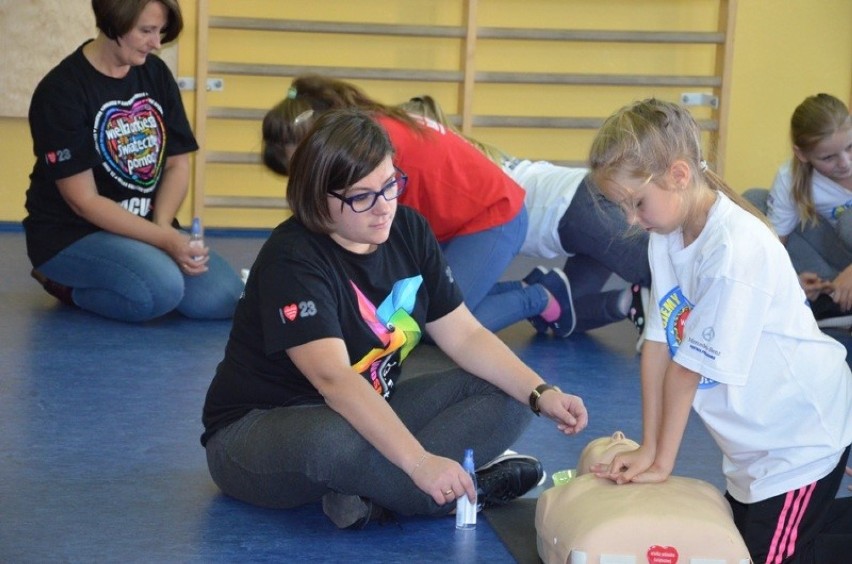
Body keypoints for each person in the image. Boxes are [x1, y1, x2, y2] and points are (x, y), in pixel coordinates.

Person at [201, 109, 589, 530]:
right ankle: (434, 488)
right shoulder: (293, 258)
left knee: (510, 394)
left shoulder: (408, 229)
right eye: (362, 197)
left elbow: (465, 334)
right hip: (258, 428)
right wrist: (420, 461)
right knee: (340, 442)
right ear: (319, 198)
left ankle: (376, 493)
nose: (383, 207)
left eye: (390, 186)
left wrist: (540, 391)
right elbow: (334, 381)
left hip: (367, 406)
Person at [587, 98, 852, 562]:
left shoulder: (733, 250)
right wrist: (648, 448)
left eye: (637, 203)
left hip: (800, 439)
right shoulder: (665, 236)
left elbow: (685, 370)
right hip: (755, 446)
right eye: (622, 206)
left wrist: (662, 462)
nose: (631, 219)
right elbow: (657, 344)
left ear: (679, 175)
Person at [260, 74, 576, 336]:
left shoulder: (367, 149)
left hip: (493, 216)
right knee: (411, 310)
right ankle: (523, 286)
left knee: (433, 330)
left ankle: (537, 296)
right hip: (459, 217)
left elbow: (377, 246)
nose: (310, 178)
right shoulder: (363, 130)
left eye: (304, 164)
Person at [23, 0, 243, 322]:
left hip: (145, 228)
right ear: (114, 23)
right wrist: (166, 241)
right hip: (72, 233)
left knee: (222, 298)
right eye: (146, 31)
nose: (157, 43)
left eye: (160, 31)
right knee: (160, 290)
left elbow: (178, 164)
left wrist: (163, 225)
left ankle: (146, 261)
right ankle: (62, 285)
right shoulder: (61, 91)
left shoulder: (155, 73)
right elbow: (84, 201)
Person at [400, 95, 651, 346]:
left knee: (655, 268)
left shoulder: (451, 165)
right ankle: (629, 302)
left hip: (574, 208)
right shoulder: (470, 153)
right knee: (562, 315)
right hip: (576, 207)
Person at [744, 93, 852, 329]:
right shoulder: (791, 178)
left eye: (850, 147)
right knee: (754, 201)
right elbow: (775, 248)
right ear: (802, 155)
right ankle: (828, 300)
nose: (845, 162)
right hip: (835, 265)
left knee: (848, 221)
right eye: (828, 157)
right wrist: (791, 282)